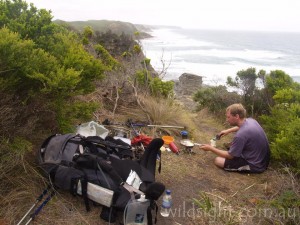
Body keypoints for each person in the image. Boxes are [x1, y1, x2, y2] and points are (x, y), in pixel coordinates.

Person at [199, 103, 270, 173]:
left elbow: (230, 156)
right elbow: (240, 127)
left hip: (254, 165)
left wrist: (211, 149)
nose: (227, 120)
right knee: (232, 145)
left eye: (228, 117)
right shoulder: (251, 120)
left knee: (218, 160)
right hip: (262, 160)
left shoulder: (240, 135)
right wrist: (228, 131)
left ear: (236, 116)